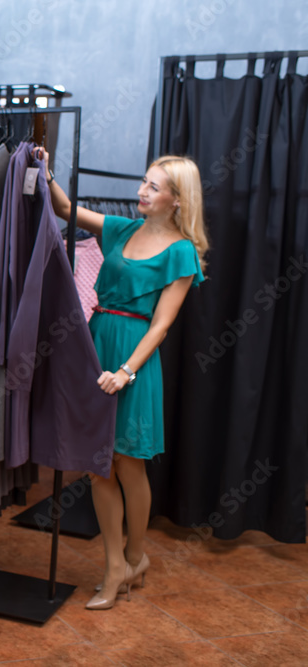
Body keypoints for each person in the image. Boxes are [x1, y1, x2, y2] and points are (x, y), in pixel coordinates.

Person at [39, 148, 208, 610]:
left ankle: (135, 555)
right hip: (98, 346)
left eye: (153, 186)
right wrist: (45, 170)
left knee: (127, 462)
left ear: (177, 198)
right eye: (144, 182)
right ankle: (116, 565)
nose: (141, 191)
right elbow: (65, 209)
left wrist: (127, 371)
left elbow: (162, 325)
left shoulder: (181, 253)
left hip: (132, 359)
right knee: (98, 465)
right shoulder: (124, 230)